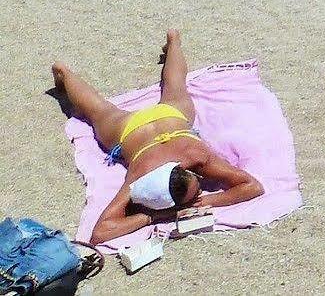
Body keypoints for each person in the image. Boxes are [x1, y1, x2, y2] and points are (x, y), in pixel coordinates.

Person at [52, 32, 266, 246]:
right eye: (198, 192)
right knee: (174, 85)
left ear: (184, 169)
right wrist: (154, 217)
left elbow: (103, 230)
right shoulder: (181, 161)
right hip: (162, 121)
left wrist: (197, 203)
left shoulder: (151, 172)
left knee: (99, 109)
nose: (200, 190)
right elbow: (251, 186)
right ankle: (173, 41)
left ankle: (64, 72)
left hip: (136, 129)